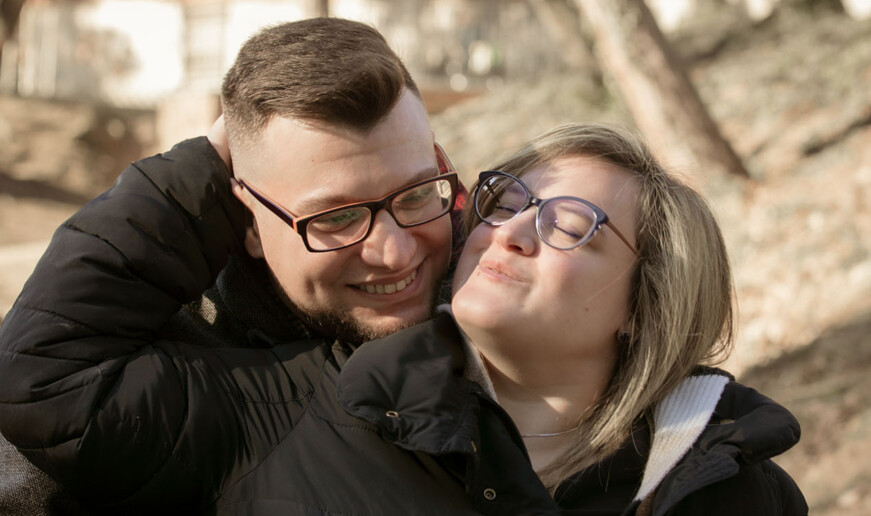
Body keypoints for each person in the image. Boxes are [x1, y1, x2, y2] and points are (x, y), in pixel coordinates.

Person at [0, 17, 467, 514]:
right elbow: (43, 382)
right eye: (338, 218)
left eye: (416, 194)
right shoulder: (169, 365)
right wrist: (201, 168)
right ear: (248, 218)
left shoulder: (494, 298)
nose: (395, 252)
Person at [338, 123, 808, 514]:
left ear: (644, 306)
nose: (509, 233)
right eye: (503, 206)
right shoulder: (340, 422)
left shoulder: (734, 497)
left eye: (568, 227)